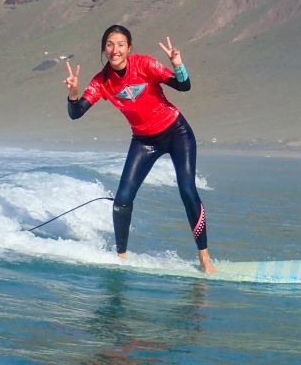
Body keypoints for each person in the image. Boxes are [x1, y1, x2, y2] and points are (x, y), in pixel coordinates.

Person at [63, 24, 215, 273]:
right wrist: (72, 93)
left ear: (129, 48)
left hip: (177, 133)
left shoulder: (145, 64)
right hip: (144, 141)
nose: (115, 50)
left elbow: (183, 86)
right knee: (122, 200)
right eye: (110, 44)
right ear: (104, 48)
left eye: (121, 44)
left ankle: (205, 260)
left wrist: (178, 64)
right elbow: (76, 113)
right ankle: (121, 259)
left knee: (187, 191)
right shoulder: (102, 82)